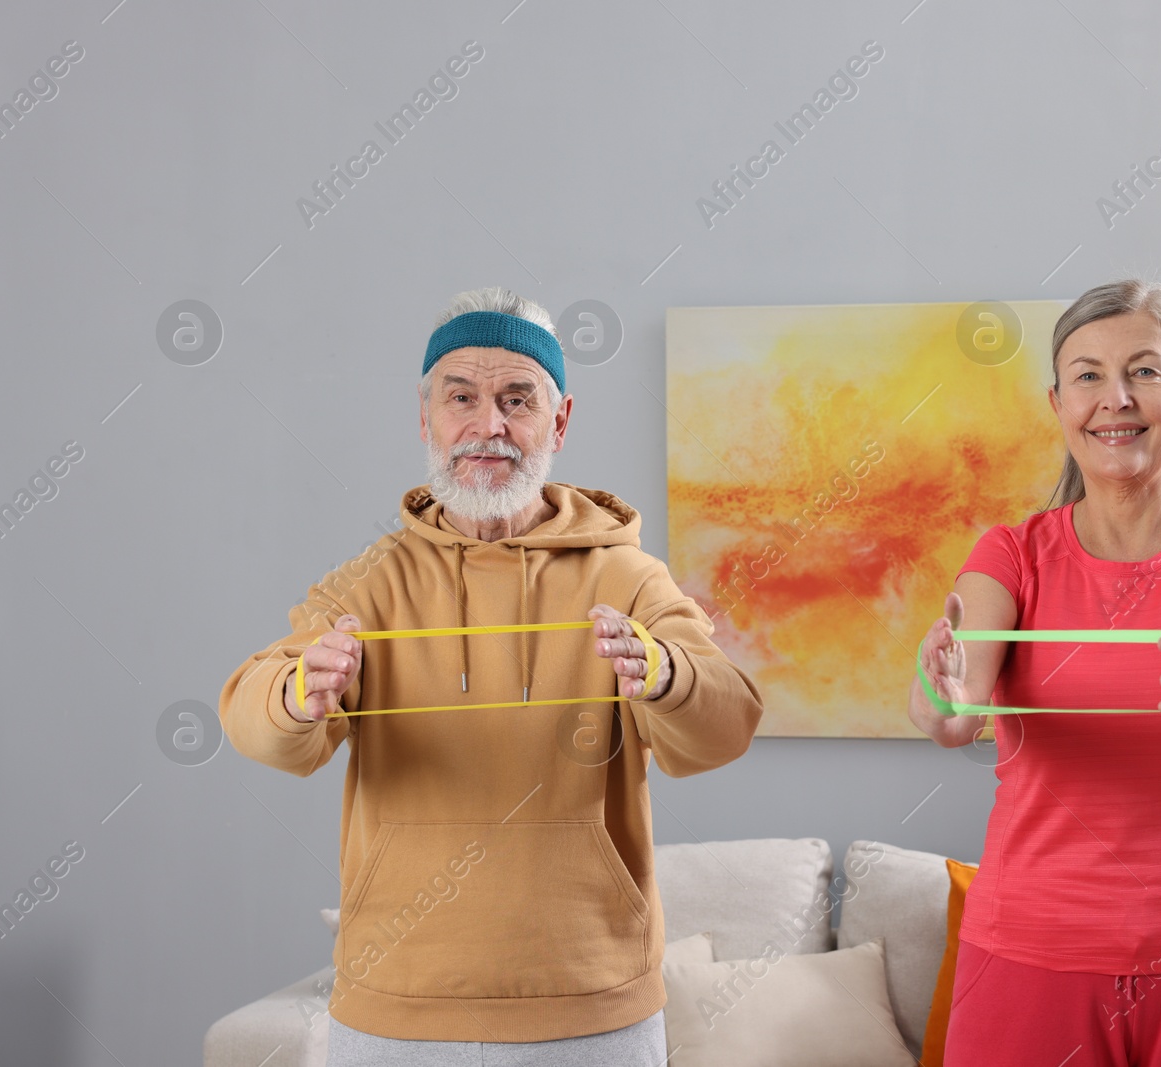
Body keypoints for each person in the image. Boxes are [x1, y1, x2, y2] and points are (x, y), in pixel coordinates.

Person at [219, 286, 764, 1066]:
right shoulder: (370, 583)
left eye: (518, 399)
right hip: (391, 1008)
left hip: (594, 1010)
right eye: (462, 398)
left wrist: (668, 674)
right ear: (425, 419)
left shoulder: (630, 576)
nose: (490, 425)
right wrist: (297, 692)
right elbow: (252, 714)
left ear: (560, 421)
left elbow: (728, 720)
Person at [912, 279, 1161, 1066]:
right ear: (1058, 401)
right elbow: (954, 713)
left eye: (1144, 371)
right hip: (1029, 951)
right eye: (1089, 375)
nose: (1115, 398)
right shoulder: (1011, 554)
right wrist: (939, 684)